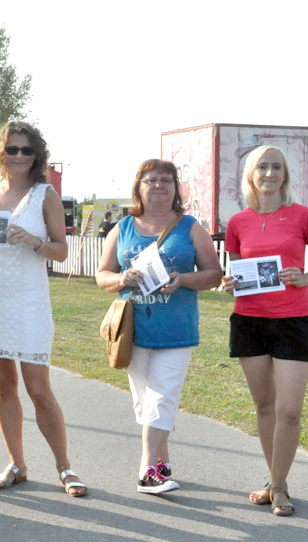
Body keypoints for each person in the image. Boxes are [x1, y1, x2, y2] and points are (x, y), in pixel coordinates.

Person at [0, 121, 87, 497]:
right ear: (1, 152)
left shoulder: (45, 194)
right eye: (11, 149)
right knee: (3, 385)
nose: (18, 156)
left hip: (30, 300)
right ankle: (17, 463)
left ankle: (65, 467)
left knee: (39, 389)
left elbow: (61, 250)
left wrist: (34, 241)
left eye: (26, 150)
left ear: (37, 155)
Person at [94, 159, 222, 494]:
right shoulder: (123, 228)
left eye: (166, 180)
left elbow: (214, 274)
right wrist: (122, 278)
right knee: (145, 403)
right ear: (138, 187)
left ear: (176, 188)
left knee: (163, 397)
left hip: (176, 330)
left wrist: (184, 280)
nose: (158, 186)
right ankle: (162, 463)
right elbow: (102, 275)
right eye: (150, 180)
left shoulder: (190, 227)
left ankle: (147, 471)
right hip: (133, 331)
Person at [222, 145, 308, 517]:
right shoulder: (238, 222)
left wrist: (304, 277)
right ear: (251, 175)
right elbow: (239, 272)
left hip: (293, 322)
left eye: (276, 167)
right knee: (265, 406)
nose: (269, 173)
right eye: (262, 167)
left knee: (289, 411)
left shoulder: (304, 216)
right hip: (250, 321)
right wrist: (231, 283)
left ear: (285, 175)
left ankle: (279, 486)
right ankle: (275, 481)